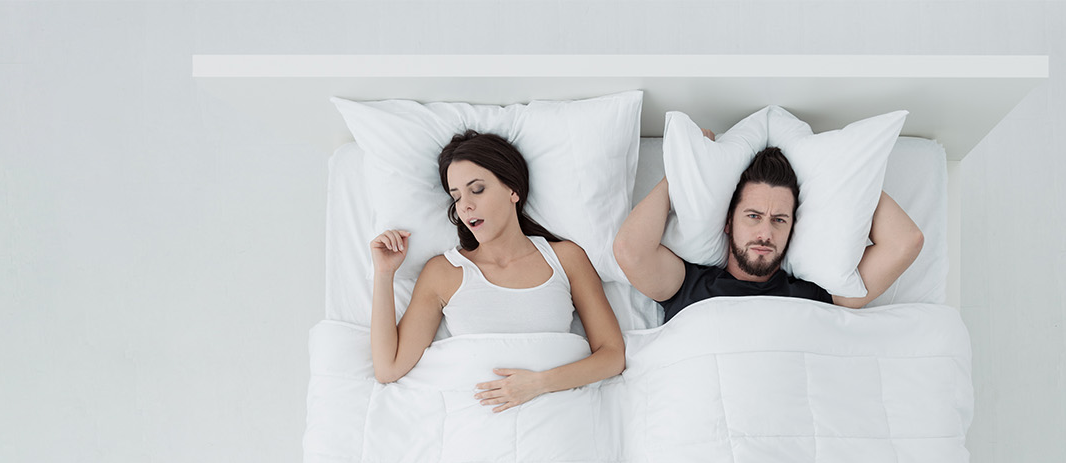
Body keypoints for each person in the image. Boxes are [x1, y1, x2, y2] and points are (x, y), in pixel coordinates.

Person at [369, 130, 625, 412]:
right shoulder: (444, 272)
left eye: (477, 189)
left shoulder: (566, 259)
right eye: (456, 197)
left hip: (552, 412)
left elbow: (612, 356)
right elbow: (388, 368)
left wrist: (538, 384)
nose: (465, 205)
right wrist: (384, 273)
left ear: (513, 190)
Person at [613, 143, 924, 321]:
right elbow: (630, 249)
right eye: (753, 216)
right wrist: (683, 174)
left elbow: (906, 241)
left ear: (792, 229)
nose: (765, 233)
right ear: (728, 222)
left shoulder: (817, 295)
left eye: (779, 220)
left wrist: (839, 174)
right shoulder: (688, 285)